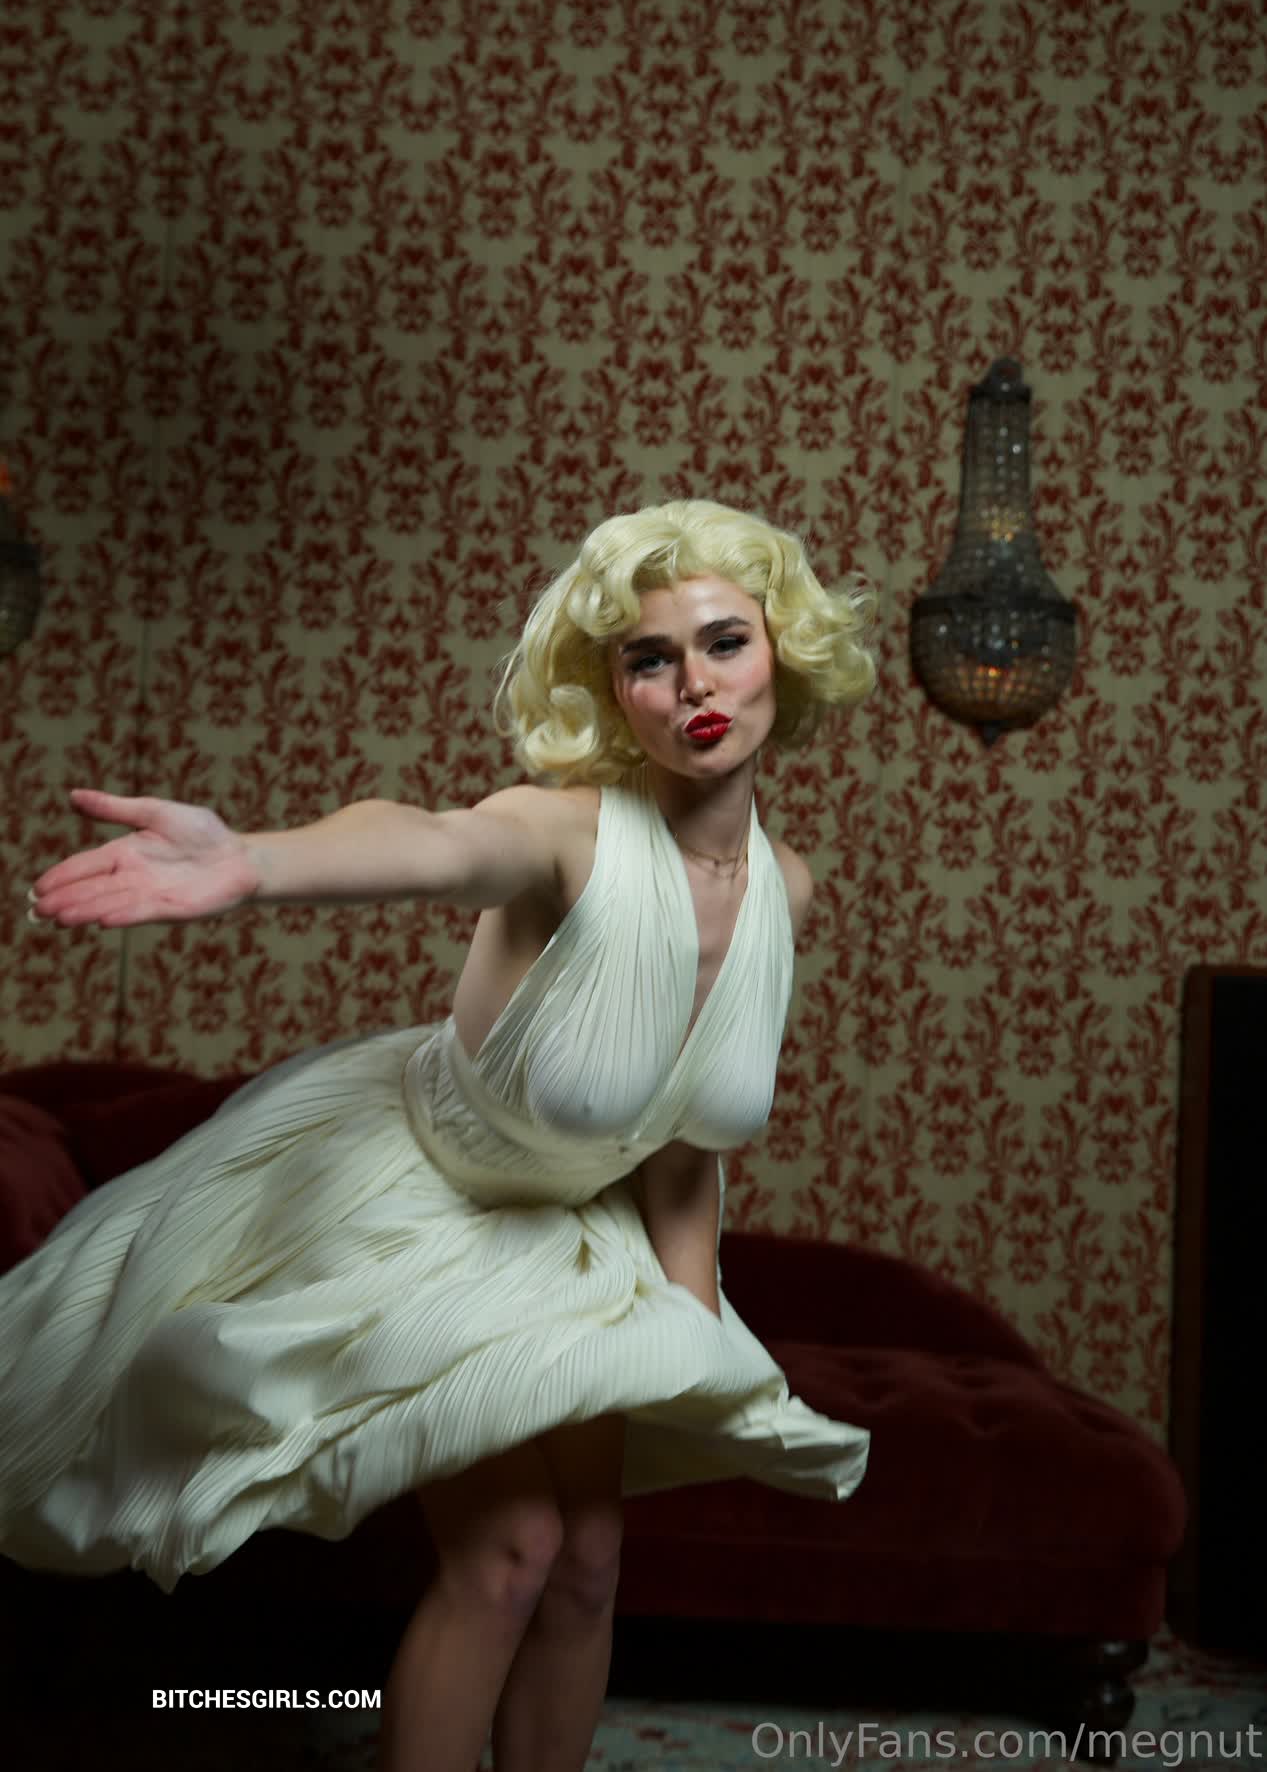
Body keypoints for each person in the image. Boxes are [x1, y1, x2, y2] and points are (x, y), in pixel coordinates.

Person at [4, 496, 877, 1772]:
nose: (693, 682)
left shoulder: (784, 891)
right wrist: (254, 860)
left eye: (724, 642)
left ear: (781, 654)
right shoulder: (568, 833)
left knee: (589, 1563)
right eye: (650, 657)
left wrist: (695, 1330)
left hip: (576, 1243)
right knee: (513, 1552)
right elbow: (431, 840)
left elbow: (686, 1145)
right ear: (615, 690)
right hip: (418, 1204)